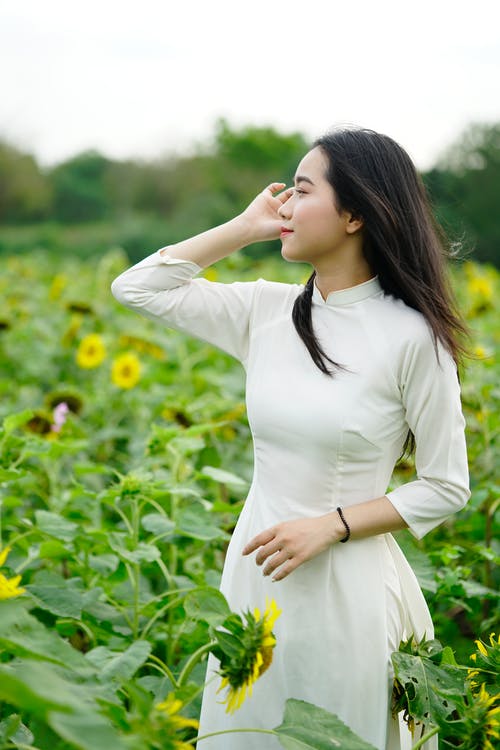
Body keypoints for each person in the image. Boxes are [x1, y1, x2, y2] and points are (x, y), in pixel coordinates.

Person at [110, 126, 471, 750]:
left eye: (301, 191)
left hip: (346, 592)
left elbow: (446, 486)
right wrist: (244, 229)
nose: (284, 206)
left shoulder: (413, 338)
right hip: (256, 578)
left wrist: (330, 524)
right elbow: (137, 287)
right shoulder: (266, 312)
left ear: (355, 214)